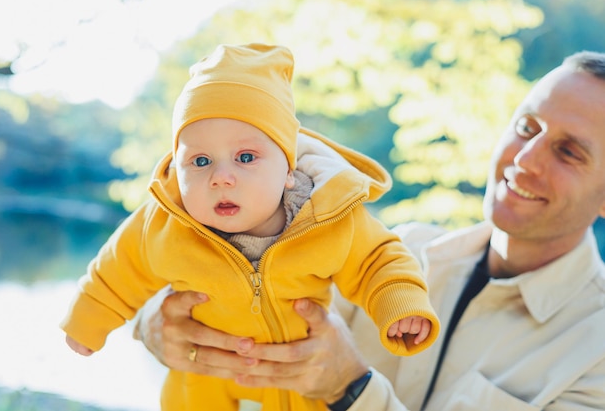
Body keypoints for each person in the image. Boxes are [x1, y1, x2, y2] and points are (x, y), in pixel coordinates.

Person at [136, 50, 605, 410]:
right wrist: (159, 324)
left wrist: (350, 388)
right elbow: (240, 288)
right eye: (527, 126)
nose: (525, 160)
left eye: (569, 152)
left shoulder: (595, 355)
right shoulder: (402, 249)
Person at [60, 43, 440, 411]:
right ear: (177, 167)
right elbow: (117, 269)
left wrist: (399, 306)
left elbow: (379, 260)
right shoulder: (163, 223)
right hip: (200, 383)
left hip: (296, 384)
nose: (222, 177)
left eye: (245, 157)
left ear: (288, 169)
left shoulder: (329, 218)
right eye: (201, 161)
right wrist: (87, 320)